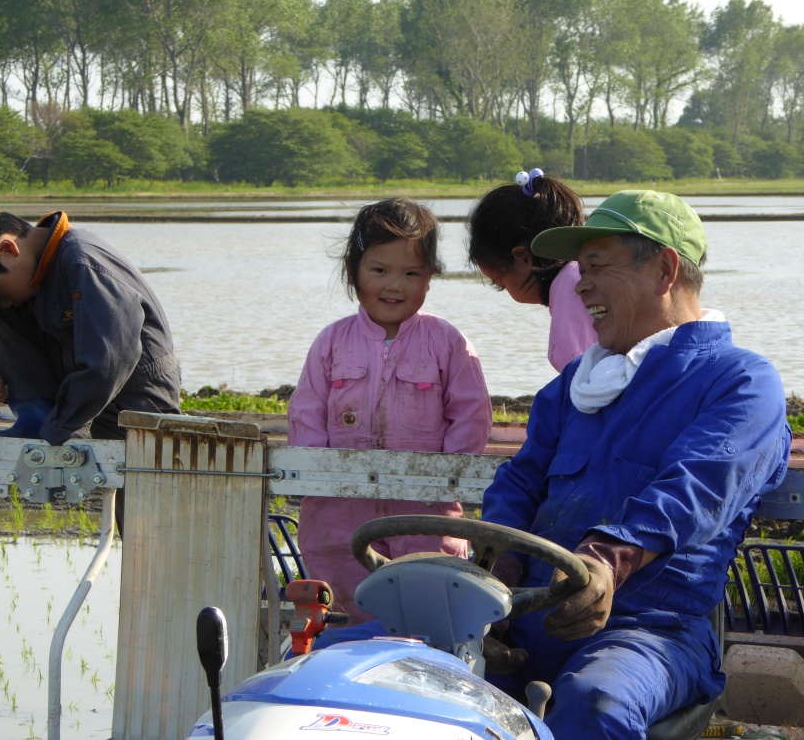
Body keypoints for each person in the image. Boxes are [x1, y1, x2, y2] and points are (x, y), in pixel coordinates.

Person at [480, 190, 791, 739]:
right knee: (402, 677)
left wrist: (604, 561)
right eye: (580, 269)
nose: (580, 284)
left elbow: (693, 491)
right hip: (527, 621)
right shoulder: (574, 384)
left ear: (665, 269)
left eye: (597, 265)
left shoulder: (740, 382)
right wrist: (495, 577)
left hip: (650, 633)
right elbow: (520, 481)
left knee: (594, 703)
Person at [0, 191, 182, 524]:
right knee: (2, 309)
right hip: (74, 393)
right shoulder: (27, 278)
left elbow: (111, 361)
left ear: (8, 248)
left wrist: (53, 432)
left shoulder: (82, 261)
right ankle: (32, 416)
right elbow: (13, 337)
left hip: (136, 396)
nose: (4, 303)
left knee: (151, 521)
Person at [288, 196, 493, 624]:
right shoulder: (331, 342)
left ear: (430, 279)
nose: (394, 286)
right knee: (342, 619)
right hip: (336, 520)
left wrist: (443, 478)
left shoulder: (447, 342)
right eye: (379, 270)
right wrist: (322, 475)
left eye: (411, 273)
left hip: (426, 519)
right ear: (354, 271)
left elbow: (471, 415)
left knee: (426, 622)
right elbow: (306, 413)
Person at [466, 168, 597, 372]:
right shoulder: (579, 273)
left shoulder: (571, 288)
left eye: (499, 283)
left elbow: (581, 377)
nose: (504, 289)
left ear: (523, 257)